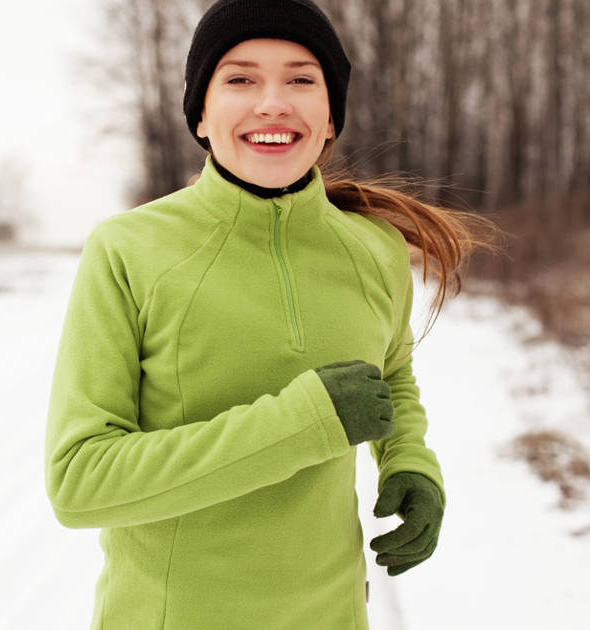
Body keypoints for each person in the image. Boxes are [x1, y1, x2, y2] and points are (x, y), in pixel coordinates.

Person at [44, 0, 490, 628]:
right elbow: (80, 481)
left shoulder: (374, 249)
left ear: (330, 113)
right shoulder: (129, 250)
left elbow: (388, 378)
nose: (273, 103)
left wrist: (409, 460)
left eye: (302, 79)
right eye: (241, 79)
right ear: (201, 113)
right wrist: (304, 422)